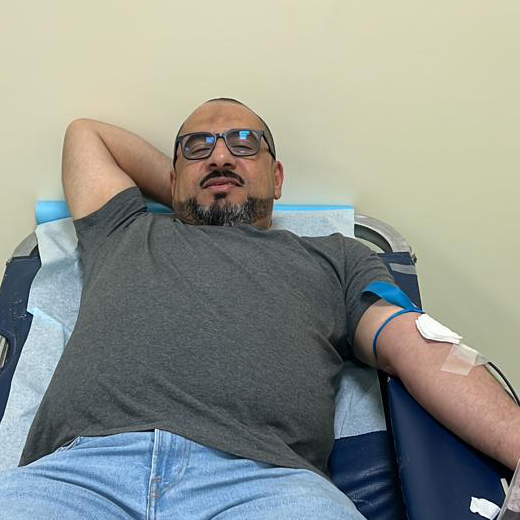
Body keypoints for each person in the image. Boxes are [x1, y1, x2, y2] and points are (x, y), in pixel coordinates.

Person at [0, 97, 518, 520]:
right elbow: (86, 133)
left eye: (244, 144)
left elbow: (419, 345)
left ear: (278, 176)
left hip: (266, 485)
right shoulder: (125, 231)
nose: (220, 157)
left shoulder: (337, 258)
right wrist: (191, 190)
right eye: (197, 147)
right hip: (78, 478)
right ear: (173, 178)